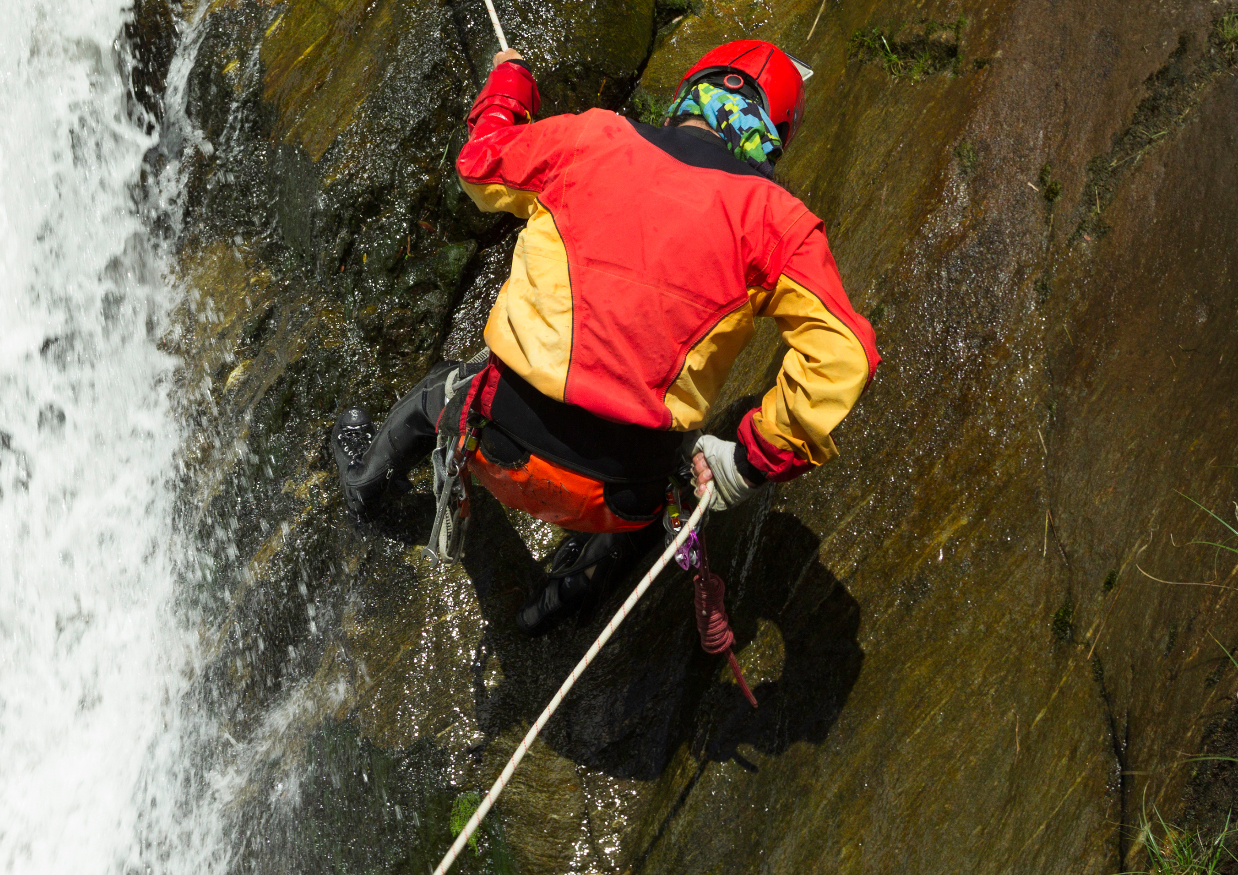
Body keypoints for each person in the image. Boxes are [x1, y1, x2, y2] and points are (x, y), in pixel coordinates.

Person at [330, 40, 880, 635]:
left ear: (688, 94)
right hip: (621, 500)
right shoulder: (778, 222)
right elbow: (844, 354)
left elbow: (480, 163)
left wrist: (509, 85)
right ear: (774, 135)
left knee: (440, 391)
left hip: (498, 448)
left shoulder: (592, 138)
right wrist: (748, 460)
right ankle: (563, 595)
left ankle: (364, 483)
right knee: (673, 479)